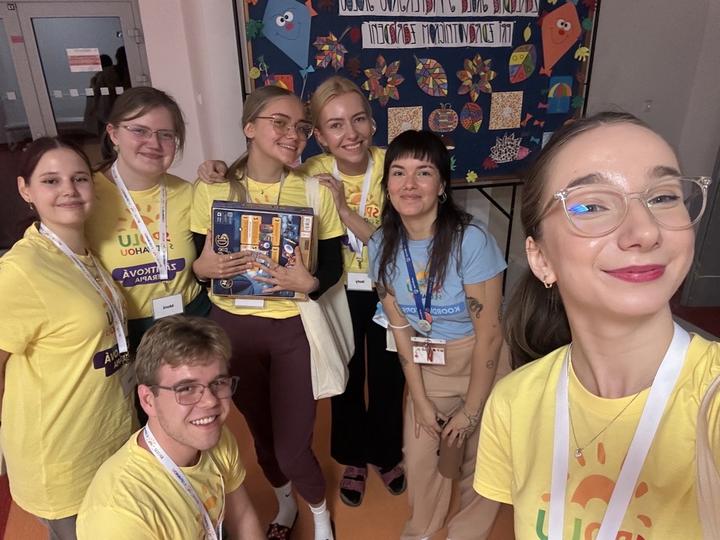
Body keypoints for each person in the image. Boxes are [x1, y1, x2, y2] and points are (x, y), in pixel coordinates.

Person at [474, 112, 719, 539]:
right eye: (591, 205)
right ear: (541, 258)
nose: (645, 231)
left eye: (664, 197)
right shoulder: (514, 402)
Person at [197, 77, 407, 506]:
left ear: (372, 122)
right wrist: (215, 168)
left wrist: (345, 210)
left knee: (391, 375)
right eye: (334, 125)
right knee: (345, 375)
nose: (350, 133)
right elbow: (259, 171)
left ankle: (387, 453)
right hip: (336, 292)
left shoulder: (394, 165)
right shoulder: (309, 172)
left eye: (359, 119)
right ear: (322, 136)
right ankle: (351, 457)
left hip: (388, 285)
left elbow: (407, 230)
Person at [191, 85, 344, 540]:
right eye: (280, 122)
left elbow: (332, 266)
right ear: (249, 127)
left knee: (294, 447)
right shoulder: (213, 188)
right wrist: (201, 269)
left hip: (292, 328)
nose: (293, 134)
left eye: (301, 127)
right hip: (232, 330)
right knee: (262, 435)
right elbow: (198, 263)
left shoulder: (314, 189)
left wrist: (310, 283)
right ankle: (285, 503)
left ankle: (319, 513)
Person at [369, 130, 506, 540]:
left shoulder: (471, 240)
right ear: (387, 185)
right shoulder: (380, 244)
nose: (409, 184)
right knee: (421, 457)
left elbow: (490, 335)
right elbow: (399, 328)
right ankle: (422, 531)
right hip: (430, 362)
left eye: (423, 172)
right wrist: (421, 401)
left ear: (442, 185)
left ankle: (467, 533)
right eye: (399, 172)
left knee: (478, 459)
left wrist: (472, 410)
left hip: (482, 359)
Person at [0, 137, 135, 540]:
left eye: (79, 178)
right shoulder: (22, 268)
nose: (68, 190)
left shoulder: (84, 256)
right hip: (62, 457)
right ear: (25, 189)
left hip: (108, 435)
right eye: (51, 181)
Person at [76, 315, 264, 539]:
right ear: (148, 400)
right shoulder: (118, 516)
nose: (210, 401)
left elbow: (242, 517)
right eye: (186, 389)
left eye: (218, 383)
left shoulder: (216, 436)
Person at [86, 86, 210, 356]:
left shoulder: (187, 192)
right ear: (114, 134)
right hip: (124, 331)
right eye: (139, 131)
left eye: (166, 135)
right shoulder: (86, 195)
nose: (154, 143)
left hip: (191, 319)